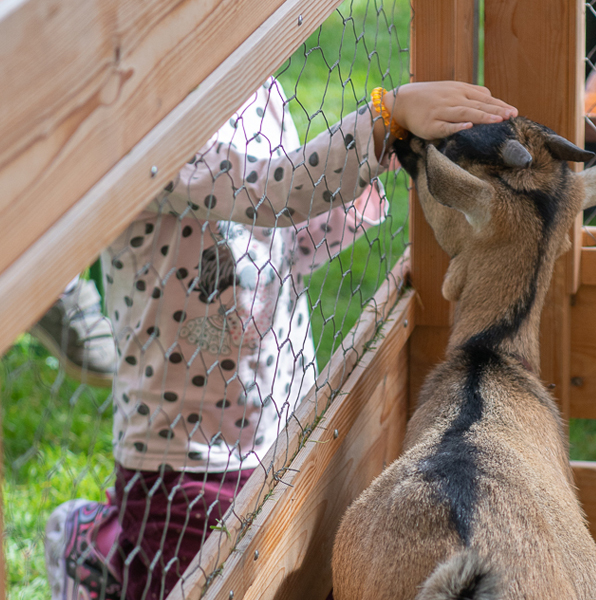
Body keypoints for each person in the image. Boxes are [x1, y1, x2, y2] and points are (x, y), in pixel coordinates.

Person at [44, 78, 518, 600]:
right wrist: (386, 120)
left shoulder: (254, 88)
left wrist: (362, 190)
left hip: (278, 416)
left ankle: (103, 545)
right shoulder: (144, 121)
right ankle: (98, 552)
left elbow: (283, 245)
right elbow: (273, 191)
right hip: (185, 457)